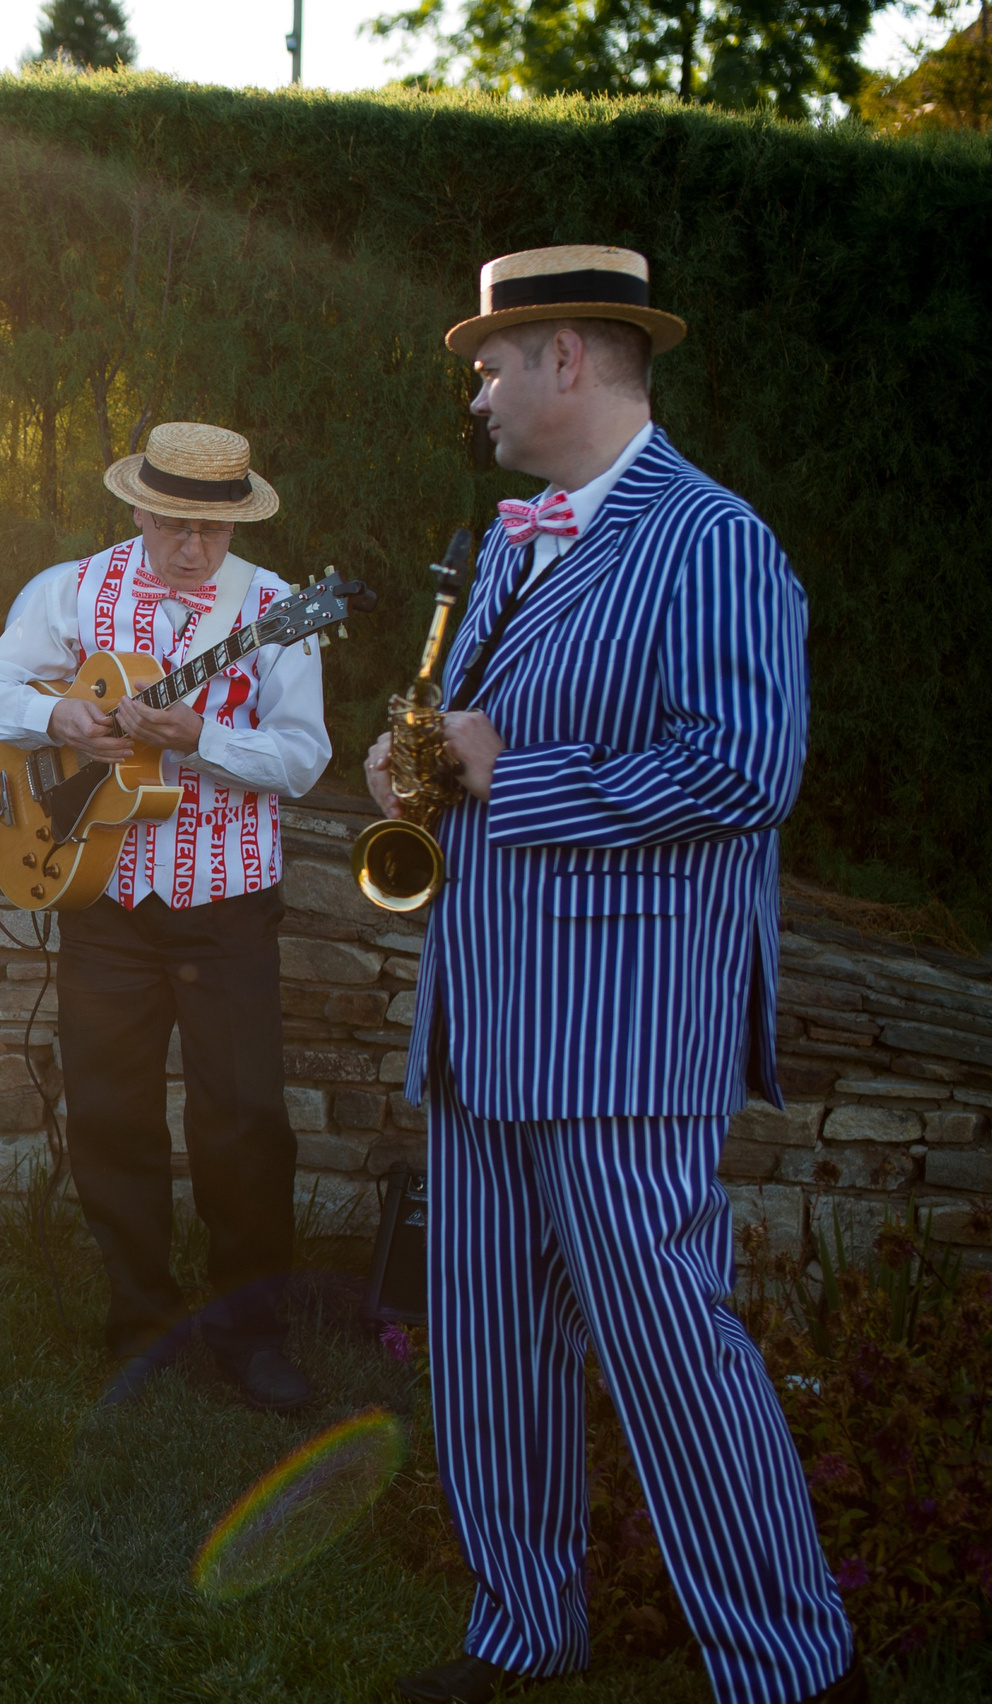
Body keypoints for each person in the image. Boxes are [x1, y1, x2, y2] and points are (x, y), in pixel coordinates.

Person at [378, 246, 860, 1704]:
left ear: (567, 361)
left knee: (669, 1351)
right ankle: (523, 1639)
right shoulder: (520, 539)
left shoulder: (711, 539)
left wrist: (504, 776)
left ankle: (788, 1666)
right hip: (485, 1016)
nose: (477, 394)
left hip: (623, 1026)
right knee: (489, 1348)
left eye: (491, 366)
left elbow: (741, 767)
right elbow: (488, 745)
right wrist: (420, 768)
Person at [0, 421, 328, 1413]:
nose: (191, 547)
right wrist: (55, 718)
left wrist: (198, 738)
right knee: (110, 1114)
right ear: (138, 510)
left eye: (212, 528)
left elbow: (300, 759)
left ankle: (251, 1334)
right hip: (101, 896)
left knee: (244, 1124)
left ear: (236, 521)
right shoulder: (71, 590)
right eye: (173, 524)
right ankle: (141, 1324)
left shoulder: (279, 609)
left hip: (226, 904)